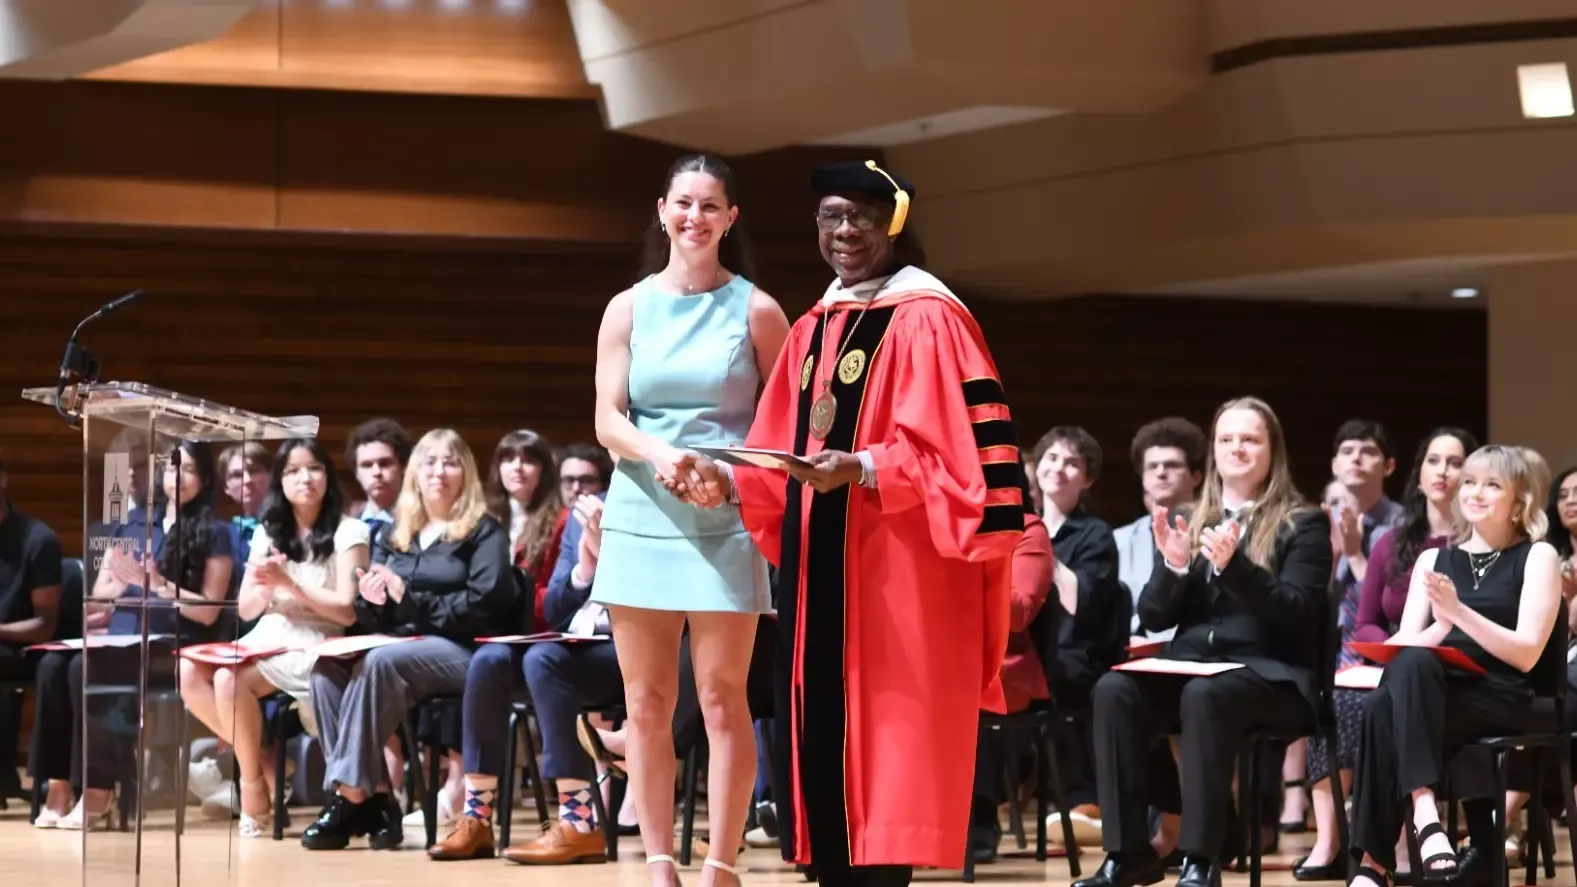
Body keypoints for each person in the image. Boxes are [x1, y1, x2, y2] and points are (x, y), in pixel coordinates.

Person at [682, 159, 1023, 887]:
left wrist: (865, 467)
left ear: (892, 226)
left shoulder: (929, 318)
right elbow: (777, 444)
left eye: (860, 218)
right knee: (823, 773)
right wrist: (733, 480)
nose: (843, 232)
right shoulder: (815, 324)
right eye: (830, 218)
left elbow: (963, 463)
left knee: (885, 753)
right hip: (821, 577)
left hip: (896, 577)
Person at [589, 153, 790, 887]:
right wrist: (662, 455)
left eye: (710, 206)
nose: (694, 217)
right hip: (642, 509)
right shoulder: (627, 306)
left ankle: (720, 864)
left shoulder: (759, 310)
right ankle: (659, 864)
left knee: (720, 698)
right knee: (645, 702)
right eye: (683, 203)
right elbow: (609, 419)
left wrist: (727, 478)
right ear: (662, 210)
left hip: (726, 517)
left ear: (730, 218)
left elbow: (786, 428)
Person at [1073, 397, 1331, 887]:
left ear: (1273, 450)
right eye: (1227, 439)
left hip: (1272, 676)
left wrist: (1237, 568)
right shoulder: (1189, 517)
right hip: (1195, 668)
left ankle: (1201, 857)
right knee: (1114, 690)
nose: (1237, 448)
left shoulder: (1303, 523)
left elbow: (1298, 616)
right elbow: (1154, 616)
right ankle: (1128, 853)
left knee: (1205, 695)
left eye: (1250, 439)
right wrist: (1173, 567)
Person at [1345, 445, 1561, 887]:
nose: (1475, 493)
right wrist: (1440, 627)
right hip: (1437, 689)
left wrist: (1459, 613)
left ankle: (1373, 866)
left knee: (1383, 710)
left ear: (1518, 502)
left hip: (1502, 691)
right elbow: (1408, 647)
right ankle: (1425, 813)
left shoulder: (1538, 556)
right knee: (1393, 689)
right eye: (1470, 483)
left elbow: (1526, 654)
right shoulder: (1434, 559)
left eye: (1492, 485)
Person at [300, 428, 516, 851]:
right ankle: (378, 798)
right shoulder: (393, 535)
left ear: (466, 473)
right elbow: (374, 612)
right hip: (403, 647)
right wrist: (373, 600)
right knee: (327, 670)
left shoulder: (484, 532)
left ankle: (348, 796)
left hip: (468, 652)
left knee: (381, 662)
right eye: (429, 462)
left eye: (450, 462)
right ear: (415, 472)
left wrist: (412, 600)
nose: (439, 471)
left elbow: (487, 603)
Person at [1294, 428, 1476, 881]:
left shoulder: (1477, 543)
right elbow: (1366, 623)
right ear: (1419, 474)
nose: (1443, 472)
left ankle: (1384, 854)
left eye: (1456, 462)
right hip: (1395, 659)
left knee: (1383, 706)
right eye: (1434, 461)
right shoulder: (1392, 542)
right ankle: (1333, 839)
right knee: (1345, 702)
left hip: (1451, 667)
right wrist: (1393, 653)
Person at [179, 437, 367, 836]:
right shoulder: (269, 532)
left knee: (228, 679)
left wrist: (288, 583)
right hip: (269, 633)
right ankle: (264, 765)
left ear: (328, 475)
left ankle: (252, 788)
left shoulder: (351, 530)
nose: (305, 478)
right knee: (188, 671)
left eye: (314, 468)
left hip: (317, 640)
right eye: (293, 471)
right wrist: (266, 587)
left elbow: (346, 610)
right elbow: (247, 610)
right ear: (281, 481)